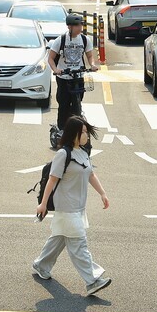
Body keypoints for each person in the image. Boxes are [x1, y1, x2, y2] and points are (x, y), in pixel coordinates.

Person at [33, 116, 111, 296]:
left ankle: (41, 265)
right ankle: (92, 280)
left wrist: (102, 193)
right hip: (66, 208)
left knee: (59, 239)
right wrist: (43, 204)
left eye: (86, 132)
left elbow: (90, 175)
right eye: (83, 132)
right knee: (78, 245)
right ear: (74, 134)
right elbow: (52, 180)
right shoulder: (63, 154)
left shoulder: (83, 153)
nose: (86, 135)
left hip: (78, 208)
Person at [48, 14, 99, 130]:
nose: (80, 27)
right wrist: (56, 70)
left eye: (81, 24)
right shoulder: (60, 40)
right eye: (77, 25)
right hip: (64, 78)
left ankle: (75, 129)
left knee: (77, 104)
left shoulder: (85, 40)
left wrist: (92, 65)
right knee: (63, 105)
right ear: (69, 27)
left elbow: (90, 55)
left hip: (78, 77)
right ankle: (61, 129)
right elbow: (50, 58)